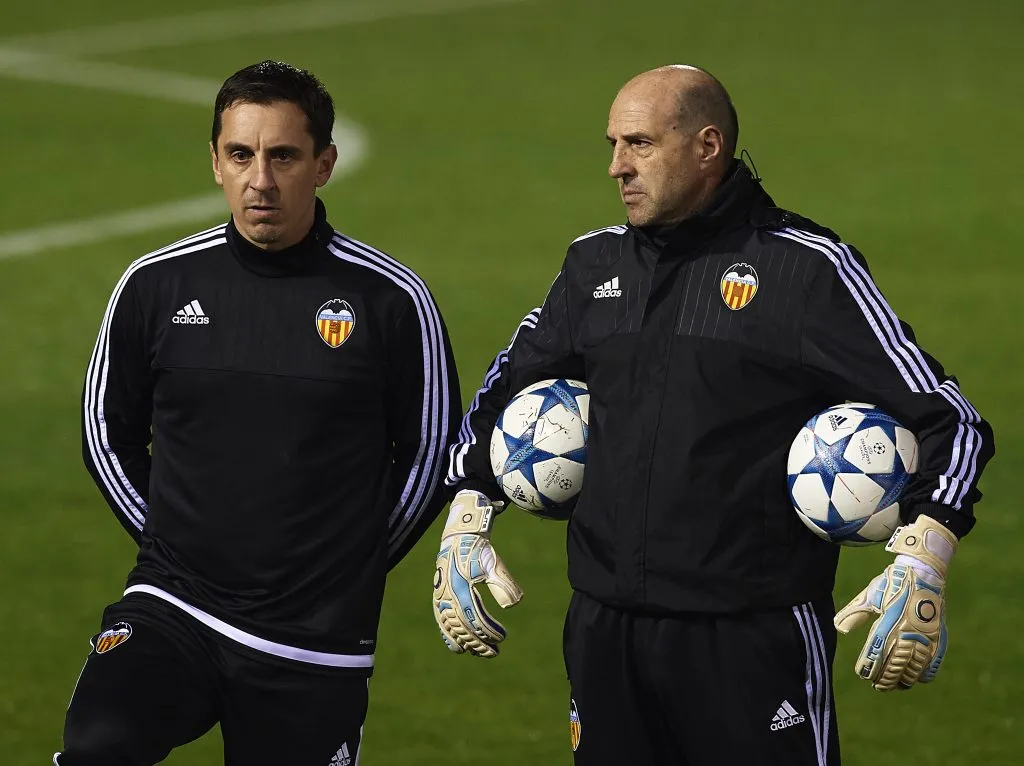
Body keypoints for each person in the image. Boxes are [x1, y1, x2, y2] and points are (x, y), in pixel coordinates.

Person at [432, 65, 993, 764]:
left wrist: (925, 554)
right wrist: (465, 516)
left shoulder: (805, 270)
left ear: (707, 147)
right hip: (607, 634)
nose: (616, 167)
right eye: (613, 145)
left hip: (751, 640)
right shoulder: (592, 266)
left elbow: (952, 420)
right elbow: (502, 390)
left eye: (639, 144)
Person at [60, 60, 460, 765]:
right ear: (215, 162)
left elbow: (431, 454)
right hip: (174, 606)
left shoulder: (392, 301)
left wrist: (350, 564)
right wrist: (175, 544)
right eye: (241, 155)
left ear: (324, 164)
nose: (261, 180)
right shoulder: (155, 285)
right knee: (97, 746)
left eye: (284, 156)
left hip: (313, 643)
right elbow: (105, 434)